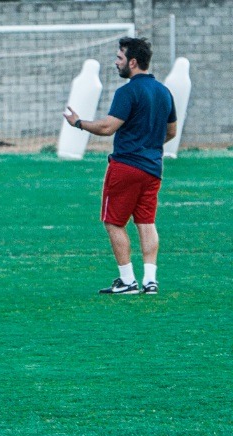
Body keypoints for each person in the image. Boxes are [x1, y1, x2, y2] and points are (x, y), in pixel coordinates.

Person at [63, 37, 176, 295]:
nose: (116, 63)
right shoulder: (164, 91)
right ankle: (150, 280)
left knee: (114, 222)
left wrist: (78, 123)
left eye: (119, 58)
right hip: (153, 168)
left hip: (126, 166)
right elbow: (171, 131)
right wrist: (148, 144)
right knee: (146, 222)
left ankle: (127, 280)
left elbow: (107, 127)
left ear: (133, 62)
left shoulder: (127, 92)